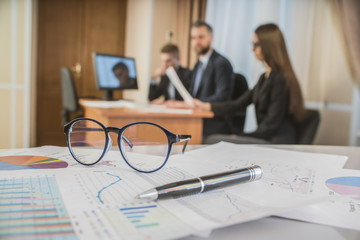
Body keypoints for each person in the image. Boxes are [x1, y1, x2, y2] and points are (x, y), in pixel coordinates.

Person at [194, 23, 306, 144]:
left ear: (268, 45)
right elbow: (237, 104)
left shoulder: (280, 80)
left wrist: (240, 135)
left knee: (213, 140)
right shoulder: (264, 78)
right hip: (265, 137)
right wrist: (206, 106)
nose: (252, 49)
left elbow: (271, 125)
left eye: (256, 44)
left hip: (276, 142)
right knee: (215, 139)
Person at [170, 20, 233, 138]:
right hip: (196, 119)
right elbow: (193, 95)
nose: (196, 42)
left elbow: (223, 96)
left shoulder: (221, 63)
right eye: (193, 38)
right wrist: (180, 103)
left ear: (211, 38)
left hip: (212, 124)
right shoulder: (198, 64)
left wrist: (198, 103)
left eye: (201, 37)